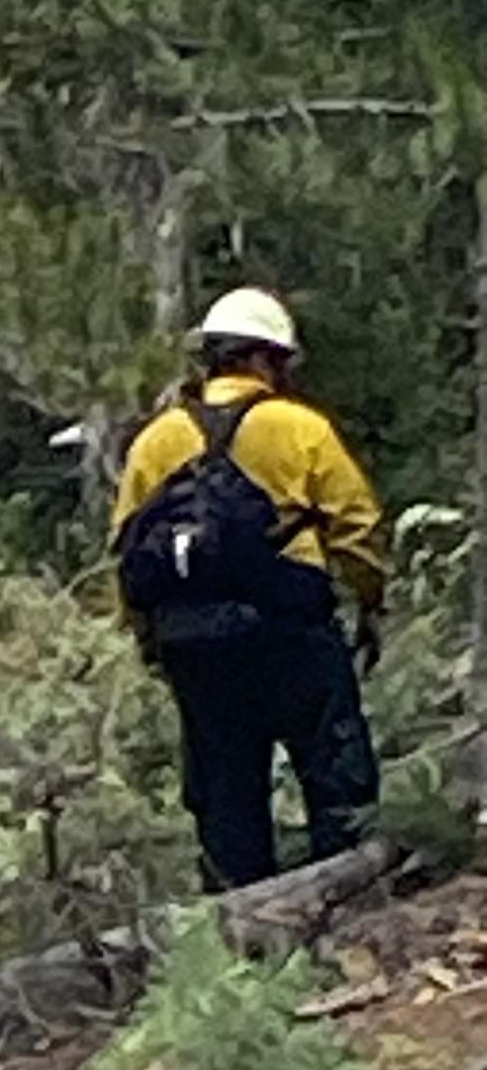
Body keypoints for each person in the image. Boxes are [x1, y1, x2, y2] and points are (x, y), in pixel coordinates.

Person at [109, 284, 387, 892]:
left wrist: (150, 641)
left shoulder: (155, 442)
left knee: (225, 792)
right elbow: (357, 526)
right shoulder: (300, 428)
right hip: (291, 628)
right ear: (267, 359)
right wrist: (369, 603)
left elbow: (126, 547)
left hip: (194, 642)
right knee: (334, 774)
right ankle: (351, 903)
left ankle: (239, 936)